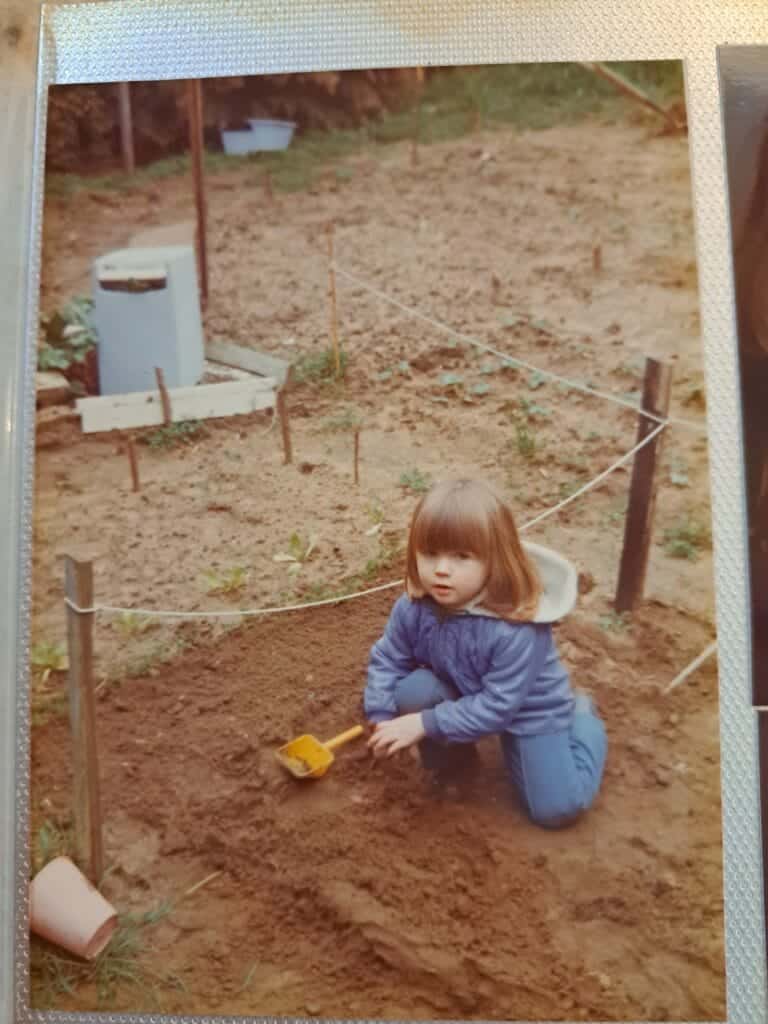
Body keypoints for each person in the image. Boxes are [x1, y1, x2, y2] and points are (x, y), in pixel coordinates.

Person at [363, 478, 607, 829]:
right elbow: (389, 658)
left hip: (524, 709)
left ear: (495, 559)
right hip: (464, 690)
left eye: (461, 557)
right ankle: (454, 763)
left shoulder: (516, 628)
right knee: (412, 691)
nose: (441, 569)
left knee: (557, 809)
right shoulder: (413, 607)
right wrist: (382, 712)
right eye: (430, 554)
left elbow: (498, 707)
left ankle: (583, 716)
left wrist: (423, 723)